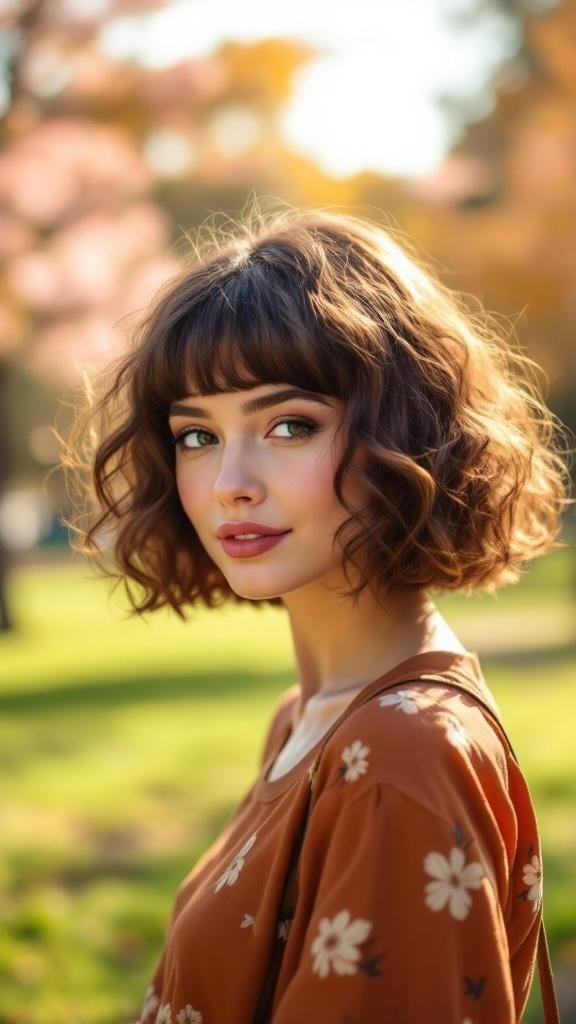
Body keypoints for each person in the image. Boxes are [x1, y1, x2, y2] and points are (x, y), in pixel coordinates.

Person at [64, 207, 569, 1023]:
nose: (230, 482)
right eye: (196, 436)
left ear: (404, 432)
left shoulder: (401, 755)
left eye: (289, 425)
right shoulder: (309, 717)